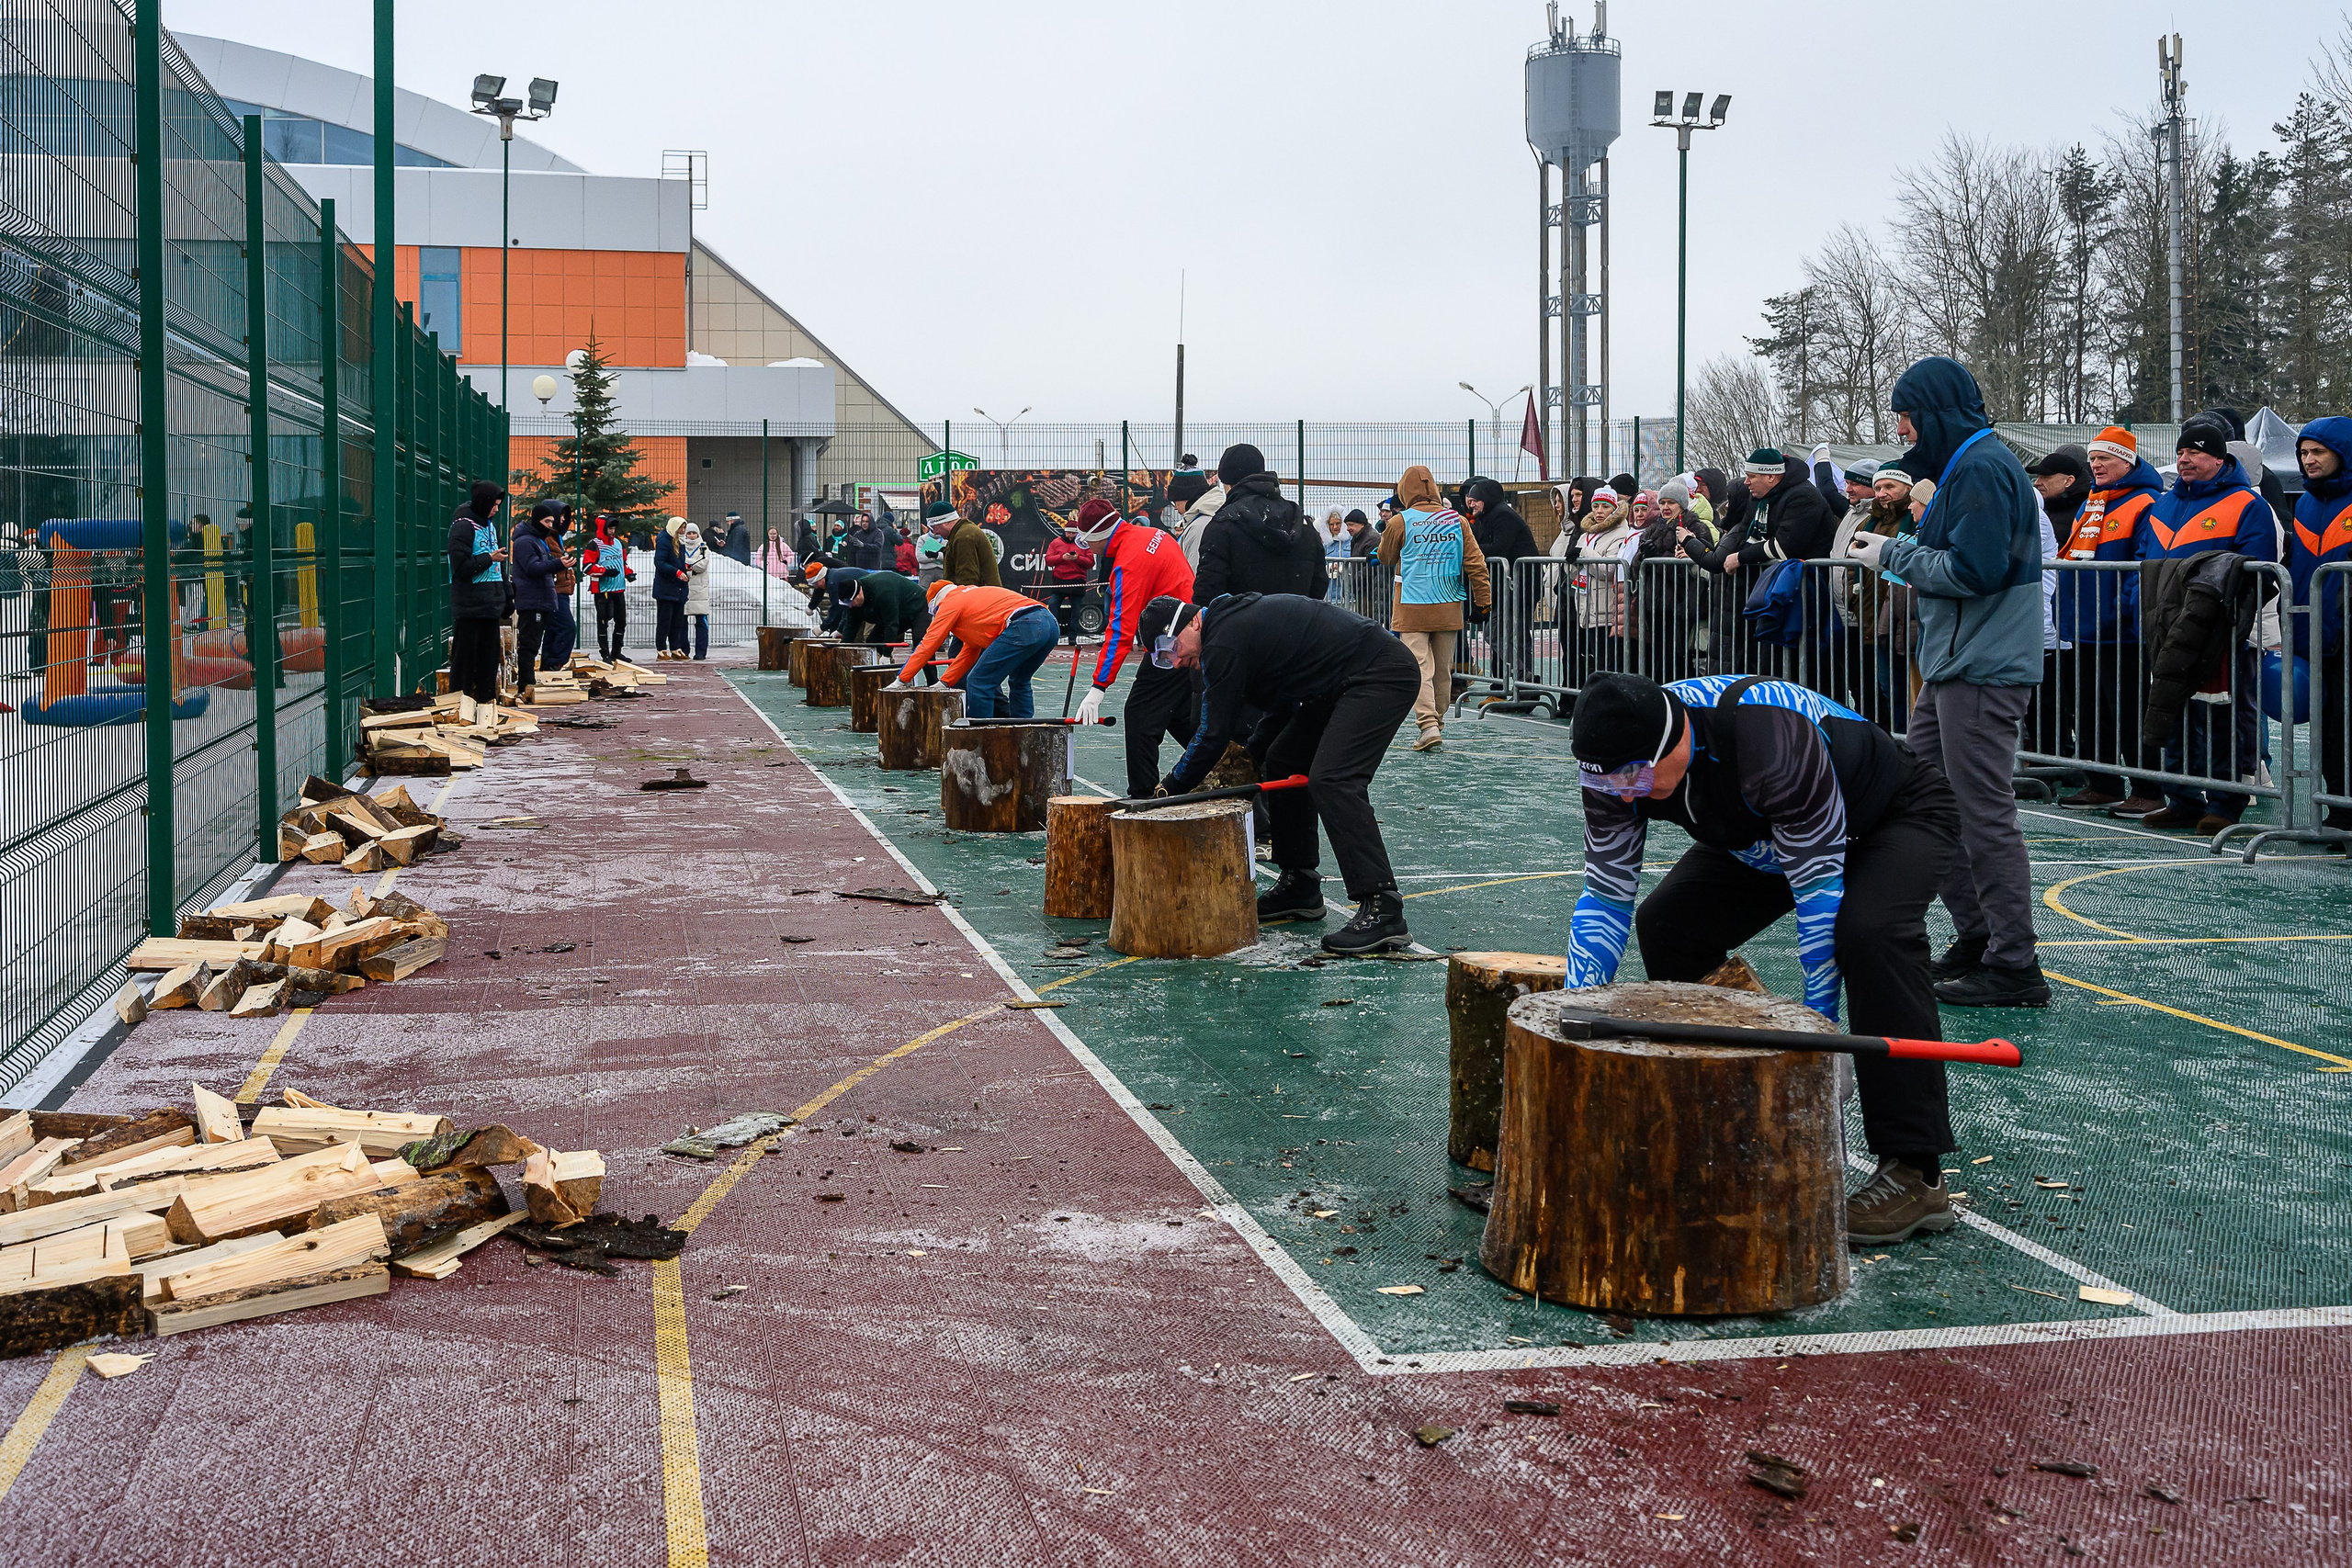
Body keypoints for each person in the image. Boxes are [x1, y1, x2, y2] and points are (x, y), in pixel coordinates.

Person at [1565, 669, 1966, 1243]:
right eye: (1610, 785)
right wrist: (1574, 1013)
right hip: (1770, 838)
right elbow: (1606, 894)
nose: (1626, 794)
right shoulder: (1613, 770)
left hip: (1886, 817)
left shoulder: (1768, 738)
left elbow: (1819, 902)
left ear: (1674, 741)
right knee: (1667, 924)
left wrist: (1823, 1048)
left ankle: (1915, 1170)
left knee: (1870, 934)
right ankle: (1735, 1091)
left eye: (1637, 776)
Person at [1843, 355, 2046, 1009]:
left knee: (1982, 813)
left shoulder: (1984, 468)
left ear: (1933, 410)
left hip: (1982, 668)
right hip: (1955, 665)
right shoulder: (1967, 464)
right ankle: (1981, 935)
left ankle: (2014, 962)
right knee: (1932, 802)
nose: (1901, 427)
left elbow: (1977, 569)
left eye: (1905, 413)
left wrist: (1893, 553)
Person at [1146, 591, 1420, 955]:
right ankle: (1300, 883)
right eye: (1163, 658)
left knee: (1334, 778)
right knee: (1284, 760)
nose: (1176, 660)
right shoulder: (1231, 629)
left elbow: (1213, 734)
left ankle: (1384, 907)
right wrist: (1252, 756)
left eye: (1171, 645)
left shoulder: (1224, 642)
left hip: (1380, 673)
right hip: (1330, 686)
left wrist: (1167, 790)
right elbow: (1284, 699)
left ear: (1193, 621)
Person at [2132, 412, 2278, 834]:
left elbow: (2261, 573)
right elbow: (2143, 563)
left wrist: (2226, 617)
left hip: (2220, 635)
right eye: (2180, 451)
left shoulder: (2248, 505)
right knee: (2174, 711)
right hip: (2166, 629)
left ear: (2219, 459)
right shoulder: (2165, 503)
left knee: (2225, 717)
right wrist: (2138, 606)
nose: (2185, 459)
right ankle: (2182, 797)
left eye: (2195, 452)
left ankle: (2225, 802)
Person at [2045, 428, 2163, 812]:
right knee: (2090, 709)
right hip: (2084, 626)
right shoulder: (2092, 503)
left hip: (2120, 632)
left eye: (2105, 459)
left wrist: (2124, 613)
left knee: (2128, 711)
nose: (2095, 465)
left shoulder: (2146, 501)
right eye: (2093, 459)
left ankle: (2147, 789)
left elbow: (2143, 564)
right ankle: (2103, 782)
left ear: (2127, 461)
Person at [1072, 503, 1199, 795]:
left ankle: (1143, 796)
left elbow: (1120, 631)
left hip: (1173, 639)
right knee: (1176, 712)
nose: (1088, 549)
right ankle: (1219, 763)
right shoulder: (1152, 534)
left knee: (1140, 712)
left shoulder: (1128, 563)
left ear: (1097, 535)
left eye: (1087, 542)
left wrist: (1098, 687)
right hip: (1192, 625)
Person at [1377, 465, 1491, 751]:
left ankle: (1427, 724)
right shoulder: (1457, 521)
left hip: (1412, 606)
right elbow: (1477, 564)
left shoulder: (1400, 522)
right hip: (1449, 605)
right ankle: (1437, 722)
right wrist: (1483, 601)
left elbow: (1386, 556)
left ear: (1405, 490)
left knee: (1419, 667)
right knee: (1443, 670)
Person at [2292, 421, 2352, 840]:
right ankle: (2339, 809)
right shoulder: (2305, 505)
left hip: (2347, 634)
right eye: (2304, 453)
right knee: (2329, 727)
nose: (2309, 460)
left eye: (2319, 452)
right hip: (2316, 634)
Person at [891, 581, 1060, 718]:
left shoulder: (950, 602)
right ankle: (1023, 730)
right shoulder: (970, 598)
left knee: (980, 681)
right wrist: (943, 683)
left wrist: (901, 680)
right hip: (1050, 623)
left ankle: (979, 737)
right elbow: (969, 652)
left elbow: (928, 644)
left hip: (1025, 625)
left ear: (936, 605)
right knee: (1020, 680)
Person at [2024, 447, 2093, 761]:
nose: (2038, 482)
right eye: (2036, 477)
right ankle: (2051, 755)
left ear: (2068, 480)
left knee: (2061, 698)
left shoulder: (2085, 509)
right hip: (2050, 618)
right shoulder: (2047, 510)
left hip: (2063, 619)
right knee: (2046, 697)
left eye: (2045, 477)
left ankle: (2056, 757)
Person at [1193, 444, 1327, 603]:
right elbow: (1319, 585)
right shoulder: (1301, 523)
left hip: (1241, 625)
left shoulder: (1223, 525)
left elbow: (1208, 593)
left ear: (1227, 483)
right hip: (1300, 623)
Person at [1850, 466, 1917, 729]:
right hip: (1873, 619)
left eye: (1890, 487)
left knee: (1907, 692)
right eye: (1878, 488)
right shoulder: (1868, 522)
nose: (1882, 493)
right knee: (1886, 690)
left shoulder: (1912, 520)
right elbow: (1851, 566)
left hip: (1902, 619)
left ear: (1907, 489)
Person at [1464, 477, 1538, 692]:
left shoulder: (1503, 515)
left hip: (1519, 585)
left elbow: (1499, 547)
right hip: (1507, 587)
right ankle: (1525, 678)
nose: (1471, 504)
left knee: (1511, 635)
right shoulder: (1489, 516)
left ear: (1486, 499)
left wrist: (1471, 550)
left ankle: (1525, 681)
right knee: (1497, 634)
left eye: (1475, 499)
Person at [447, 480, 509, 702]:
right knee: (465, 660)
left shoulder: (490, 526)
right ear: (483, 502)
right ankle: (458, 703)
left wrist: (507, 594)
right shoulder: (463, 526)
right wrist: (488, 558)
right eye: (494, 504)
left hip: (490, 605)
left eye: (499, 505)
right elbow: (460, 567)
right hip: (470, 606)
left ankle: (485, 703)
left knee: (489, 661)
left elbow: (501, 566)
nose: (496, 510)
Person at [833, 570, 935, 681]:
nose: (849, 606)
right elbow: (851, 625)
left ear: (858, 594)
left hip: (918, 607)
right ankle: (889, 674)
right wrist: (841, 650)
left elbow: (891, 625)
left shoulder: (882, 592)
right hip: (896, 610)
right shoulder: (853, 605)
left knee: (921, 643)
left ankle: (932, 682)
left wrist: (886, 653)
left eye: (849, 602)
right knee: (873, 640)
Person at [1045, 505, 1102, 639]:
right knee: (1053, 606)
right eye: (1068, 533)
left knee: (1076, 611)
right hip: (1060, 581)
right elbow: (1048, 560)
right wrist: (1061, 558)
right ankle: (1053, 634)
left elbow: (1090, 562)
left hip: (1077, 582)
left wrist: (1078, 559)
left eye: (1073, 533)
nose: (1070, 535)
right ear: (1065, 532)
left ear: (1077, 533)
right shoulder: (1056, 543)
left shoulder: (1083, 543)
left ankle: (1072, 637)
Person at [583, 514, 633, 662]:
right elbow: (587, 567)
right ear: (603, 529)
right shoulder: (594, 545)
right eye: (610, 529)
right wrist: (604, 571)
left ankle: (616, 651)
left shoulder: (618, 543)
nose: (612, 531)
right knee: (604, 621)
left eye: (614, 529)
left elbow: (623, 563)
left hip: (619, 589)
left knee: (621, 621)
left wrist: (629, 573)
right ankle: (605, 653)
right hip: (602, 590)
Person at [652, 516, 691, 660]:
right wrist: (677, 572)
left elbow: (677, 561)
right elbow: (660, 562)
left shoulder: (679, 541)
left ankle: (675, 647)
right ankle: (661, 648)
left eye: (684, 527)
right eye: (681, 528)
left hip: (678, 588)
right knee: (664, 620)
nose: (683, 531)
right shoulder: (664, 540)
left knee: (677, 620)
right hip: (666, 588)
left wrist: (684, 568)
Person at [938, 502, 1001, 588]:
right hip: (986, 594)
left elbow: (967, 580)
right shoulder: (964, 532)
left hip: (981, 598)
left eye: (934, 527)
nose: (935, 532)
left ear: (945, 523)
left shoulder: (963, 538)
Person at [681, 521, 712, 660]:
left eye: (694, 533)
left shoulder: (703, 548)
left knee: (701, 623)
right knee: (681, 623)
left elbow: (702, 565)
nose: (692, 536)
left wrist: (686, 566)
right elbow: (678, 564)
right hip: (683, 590)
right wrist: (691, 566)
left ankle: (701, 652)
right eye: (689, 533)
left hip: (700, 591)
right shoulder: (680, 547)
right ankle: (683, 651)